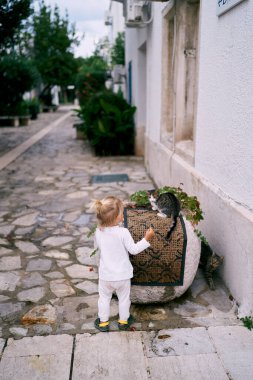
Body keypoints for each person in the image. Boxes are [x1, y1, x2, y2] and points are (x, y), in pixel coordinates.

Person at [91, 196, 155, 332]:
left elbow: (98, 251)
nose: (123, 215)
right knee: (124, 299)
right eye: (121, 213)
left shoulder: (98, 232)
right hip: (122, 275)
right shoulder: (123, 232)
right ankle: (123, 321)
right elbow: (134, 250)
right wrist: (146, 239)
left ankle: (103, 323)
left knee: (103, 299)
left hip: (106, 276)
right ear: (115, 218)